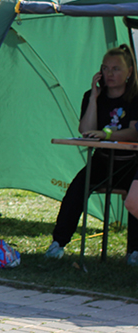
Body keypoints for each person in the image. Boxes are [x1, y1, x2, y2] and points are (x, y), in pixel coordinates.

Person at [47, 45, 138, 262]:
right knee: (77, 189)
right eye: (105, 68)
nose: (109, 74)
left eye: (116, 69)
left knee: (135, 198)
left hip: (131, 163)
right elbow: (86, 131)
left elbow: (134, 133)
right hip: (103, 161)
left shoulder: (135, 97)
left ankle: (134, 251)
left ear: (129, 71)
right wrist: (94, 98)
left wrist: (106, 135)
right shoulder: (93, 95)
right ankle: (58, 243)